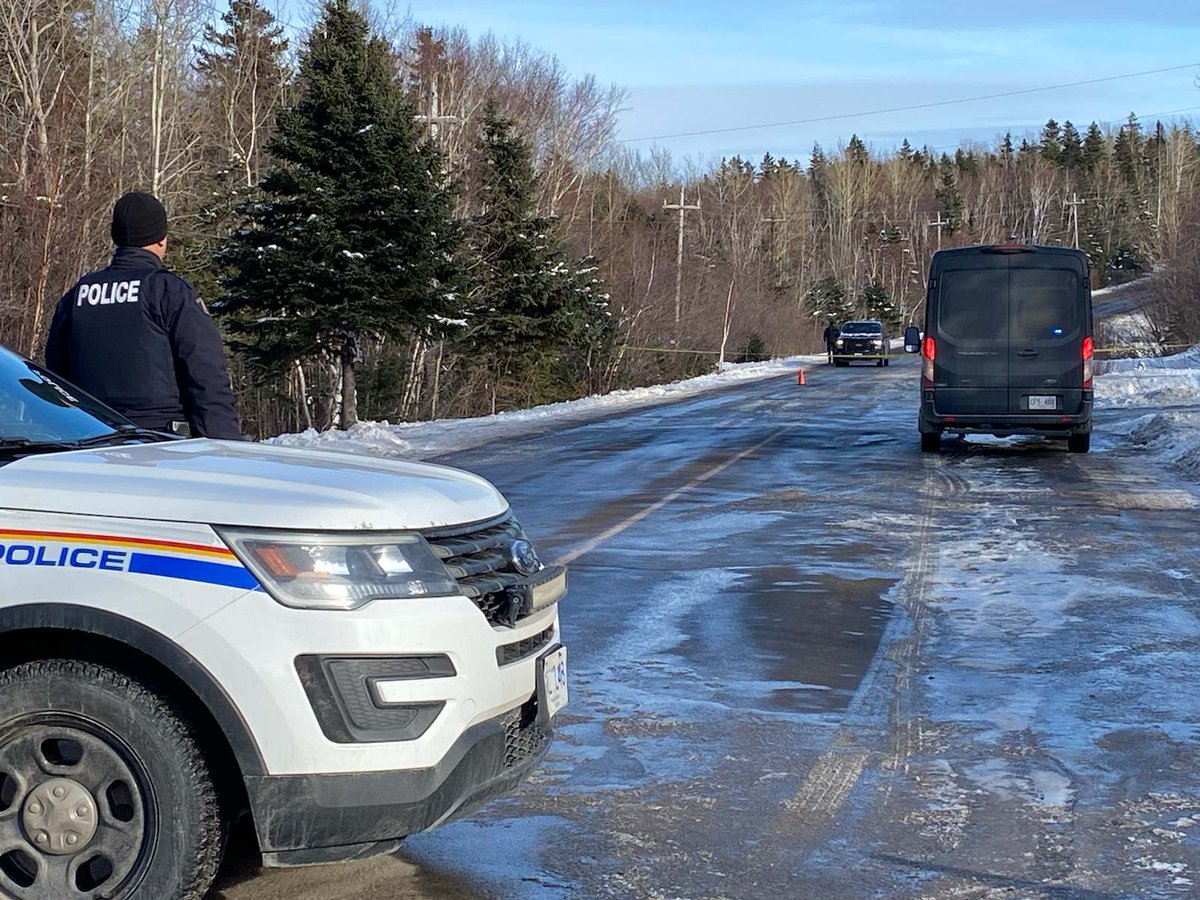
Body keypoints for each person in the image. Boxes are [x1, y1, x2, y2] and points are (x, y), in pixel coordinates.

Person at [45, 191, 241, 439]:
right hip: (162, 440)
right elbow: (206, 376)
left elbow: (57, 377)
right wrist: (224, 448)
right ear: (161, 239)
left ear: (116, 237)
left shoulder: (78, 295)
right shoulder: (169, 292)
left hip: (92, 441)